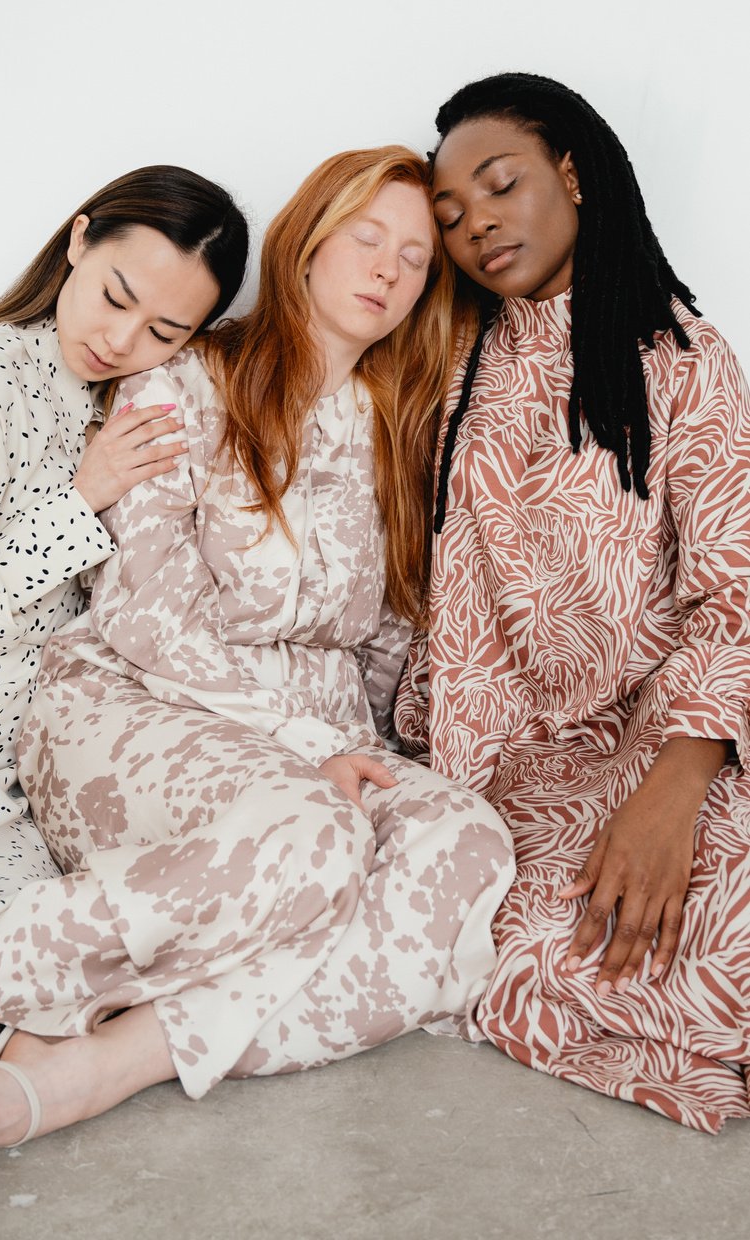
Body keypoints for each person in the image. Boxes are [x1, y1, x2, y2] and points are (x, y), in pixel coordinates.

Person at [0, 146, 513, 1183]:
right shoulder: (183, 377)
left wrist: (378, 754)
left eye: (415, 259)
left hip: (303, 740)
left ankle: (105, 1064)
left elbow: (384, 642)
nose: (385, 269)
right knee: (316, 831)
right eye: (364, 236)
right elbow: (143, 612)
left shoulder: (401, 424)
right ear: (308, 239)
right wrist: (309, 748)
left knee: (462, 842)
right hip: (131, 702)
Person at [395, 71, 750, 1134]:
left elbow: (736, 587)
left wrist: (674, 791)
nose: (476, 226)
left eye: (500, 185)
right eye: (450, 217)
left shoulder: (683, 361)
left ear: (575, 174)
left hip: (673, 743)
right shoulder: (447, 366)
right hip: (502, 771)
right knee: (570, 938)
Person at [0, 165, 248, 966]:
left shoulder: (155, 399)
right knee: (2, 947)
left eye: (164, 331)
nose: (120, 340)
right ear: (78, 240)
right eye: (114, 296)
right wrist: (81, 501)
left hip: (60, 735)